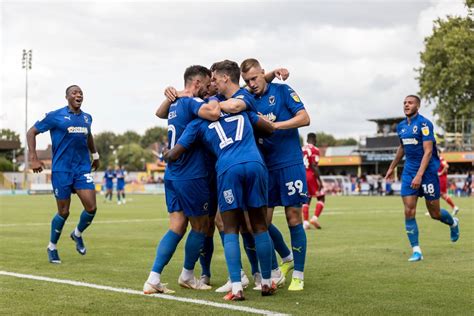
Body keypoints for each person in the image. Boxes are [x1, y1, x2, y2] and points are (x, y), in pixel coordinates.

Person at [164, 63, 277, 299]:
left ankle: (236, 285)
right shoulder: (242, 106)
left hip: (227, 169)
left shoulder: (199, 120)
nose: (211, 84)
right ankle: (267, 281)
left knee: (231, 230)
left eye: (214, 80)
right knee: (259, 226)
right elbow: (268, 128)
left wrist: (167, 154)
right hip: (255, 164)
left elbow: (176, 151)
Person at [143, 65, 221, 295]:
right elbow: (214, 113)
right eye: (206, 85)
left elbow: (159, 113)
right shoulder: (192, 102)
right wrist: (214, 101)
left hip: (172, 175)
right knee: (201, 226)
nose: (208, 90)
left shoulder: (175, 104)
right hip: (192, 174)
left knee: (176, 227)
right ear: (197, 83)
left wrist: (175, 92)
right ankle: (187, 274)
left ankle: (153, 278)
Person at [236, 58, 310, 291]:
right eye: (248, 80)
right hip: (264, 168)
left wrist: (274, 126)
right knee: (261, 223)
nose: (252, 83)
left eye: (255, 78)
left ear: (263, 73)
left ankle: (298, 273)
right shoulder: (246, 99)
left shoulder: (283, 91)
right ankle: (284, 260)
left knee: (293, 218)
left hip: (289, 163)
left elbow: (305, 118)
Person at [26, 85, 100, 264]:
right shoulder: (55, 116)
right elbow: (31, 132)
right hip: (62, 170)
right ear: (67, 97)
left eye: (81, 92)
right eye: (74, 92)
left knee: (91, 208)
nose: (78, 94)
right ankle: (52, 246)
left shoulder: (87, 117)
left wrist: (95, 155)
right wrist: (33, 158)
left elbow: (88, 135)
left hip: (82, 169)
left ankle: (77, 234)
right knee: (64, 212)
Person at [385, 95, 460, 262]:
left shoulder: (425, 124)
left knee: (435, 213)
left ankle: (453, 223)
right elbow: (402, 148)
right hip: (409, 172)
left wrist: (419, 175)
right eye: (404, 102)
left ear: (417, 107)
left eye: (410, 103)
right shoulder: (401, 126)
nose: (406, 105)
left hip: (427, 173)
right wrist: (392, 167)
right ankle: (416, 250)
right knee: (409, 211)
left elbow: (428, 151)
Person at [302, 133, 326, 230]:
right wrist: (319, 180)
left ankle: (305, 223)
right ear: (314, 139)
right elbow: (314, 165)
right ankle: (314, 218)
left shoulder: (301, 149)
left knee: (306, 199)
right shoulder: (315, 149)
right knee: (321, 197)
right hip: (311, 175)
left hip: (302, 175)